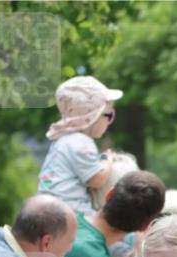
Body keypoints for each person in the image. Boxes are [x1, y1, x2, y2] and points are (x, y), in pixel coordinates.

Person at [38, 76, 122, 218]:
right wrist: (107, 159)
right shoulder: (81, 142)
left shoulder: (63, 140)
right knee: (114, 234)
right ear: (91, 116)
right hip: (69, 213)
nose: (109, 122)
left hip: (47, 210)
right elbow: (98, 179)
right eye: (109, 115)